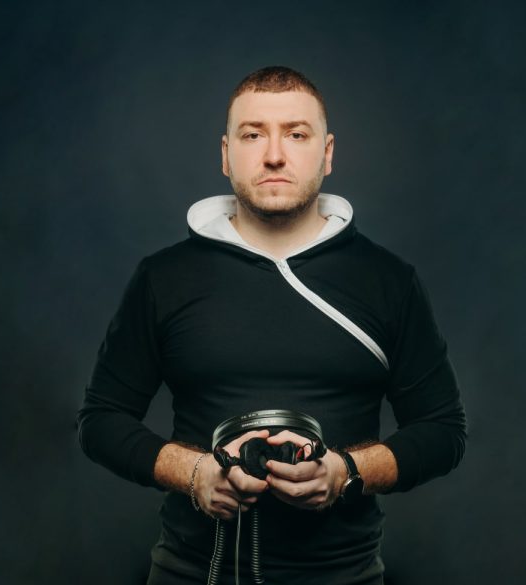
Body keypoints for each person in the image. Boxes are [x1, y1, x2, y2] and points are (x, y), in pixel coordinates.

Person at [77, 65, 467, 585]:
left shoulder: (388, 280)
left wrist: (344, 473)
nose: (275, 154)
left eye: (297, 134)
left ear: (327, 153)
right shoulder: (164, 277)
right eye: (253, 134)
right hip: (191, 573)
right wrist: (195, 474)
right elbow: (101, 420)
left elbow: (443, 431)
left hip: (343, 578)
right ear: (225, 154)